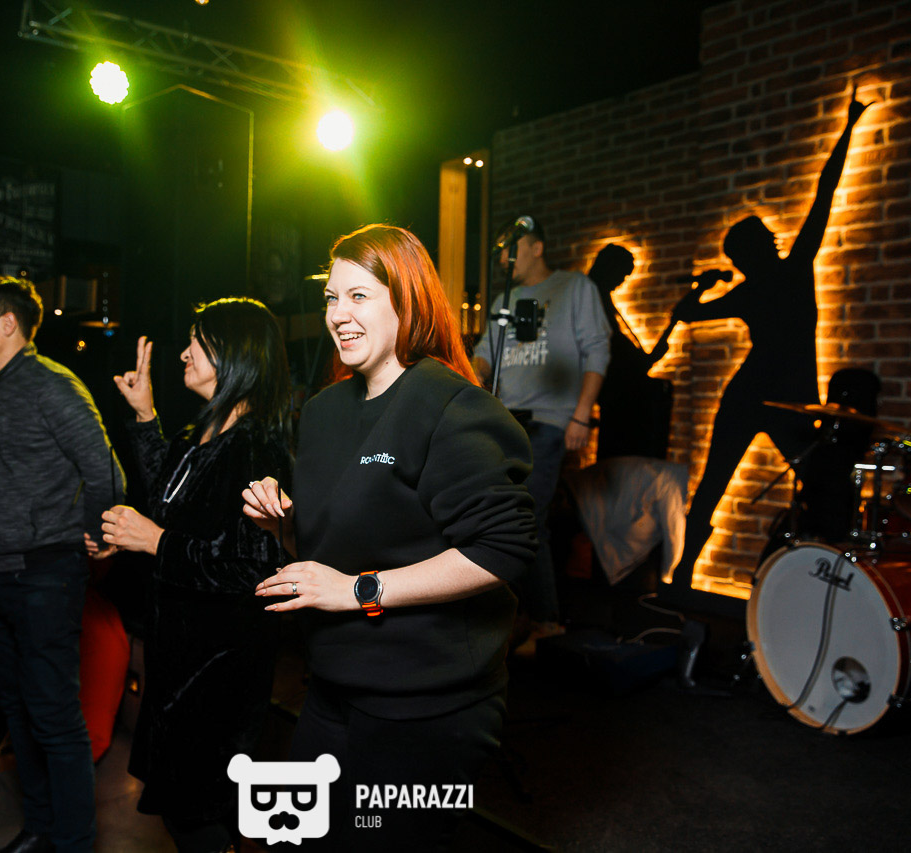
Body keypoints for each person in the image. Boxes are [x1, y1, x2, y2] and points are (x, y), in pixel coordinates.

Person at [244, 224, 535, 851]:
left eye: (359, 296)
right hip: (332, 689)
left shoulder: (451, 406)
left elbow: (503, 549)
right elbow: (326, 554)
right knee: (300, 840)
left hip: (429, 709)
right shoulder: (322, 412)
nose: (338, 314)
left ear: (407, 302)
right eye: (331, 298)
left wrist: (360, 591)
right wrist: (283, 527)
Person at [99, 297, 293, 853]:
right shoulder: (201, 433)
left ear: (235, 356)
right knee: (187, 808)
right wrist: (144, 416)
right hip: (179, 658)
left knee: (196, 814)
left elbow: (249, 568)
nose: (184, 353)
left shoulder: (256, 447)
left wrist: (154, 541)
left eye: (197, 343)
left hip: (219, 669)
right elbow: (170, 498)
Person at [669, 84, 873, 589]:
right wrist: (848, 125)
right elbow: (824, 195)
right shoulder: (786, 272)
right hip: (774, 397)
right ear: (759, 249)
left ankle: (685, 574)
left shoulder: (760, 284)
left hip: (773, 397)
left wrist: (704, 285)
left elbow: (685, 313)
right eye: (763, 239)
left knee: (738, 484)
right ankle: (685, 575)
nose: (772, 240)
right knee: (746, 483)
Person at [0, 276, 125, 853]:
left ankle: (73, 842)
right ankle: (41, 828)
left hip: (43, 575)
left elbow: (105, 471)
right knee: (18, 712)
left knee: (53, 717)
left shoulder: (53, 385)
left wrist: (98, 533)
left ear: (7, 324)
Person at [472, 218, 609, 653]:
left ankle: (547, 620)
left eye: (511, 250)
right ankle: (517, 616)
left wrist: (581, 416)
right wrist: (471, 376)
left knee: (527, 515)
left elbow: (598, 349)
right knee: (500, 516)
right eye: (500, 254)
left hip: (548, 421)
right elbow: (484, 355)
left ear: (536, 248)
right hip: (503, 422)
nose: (504, 260)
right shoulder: (504, 299)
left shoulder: (574, 287)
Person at [589, 244, 674, 460]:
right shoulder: (594, 301)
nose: (623, 280)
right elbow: (614, 349)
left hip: (617, 393)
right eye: (623, 273)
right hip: (618, 397)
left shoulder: (599, 299)